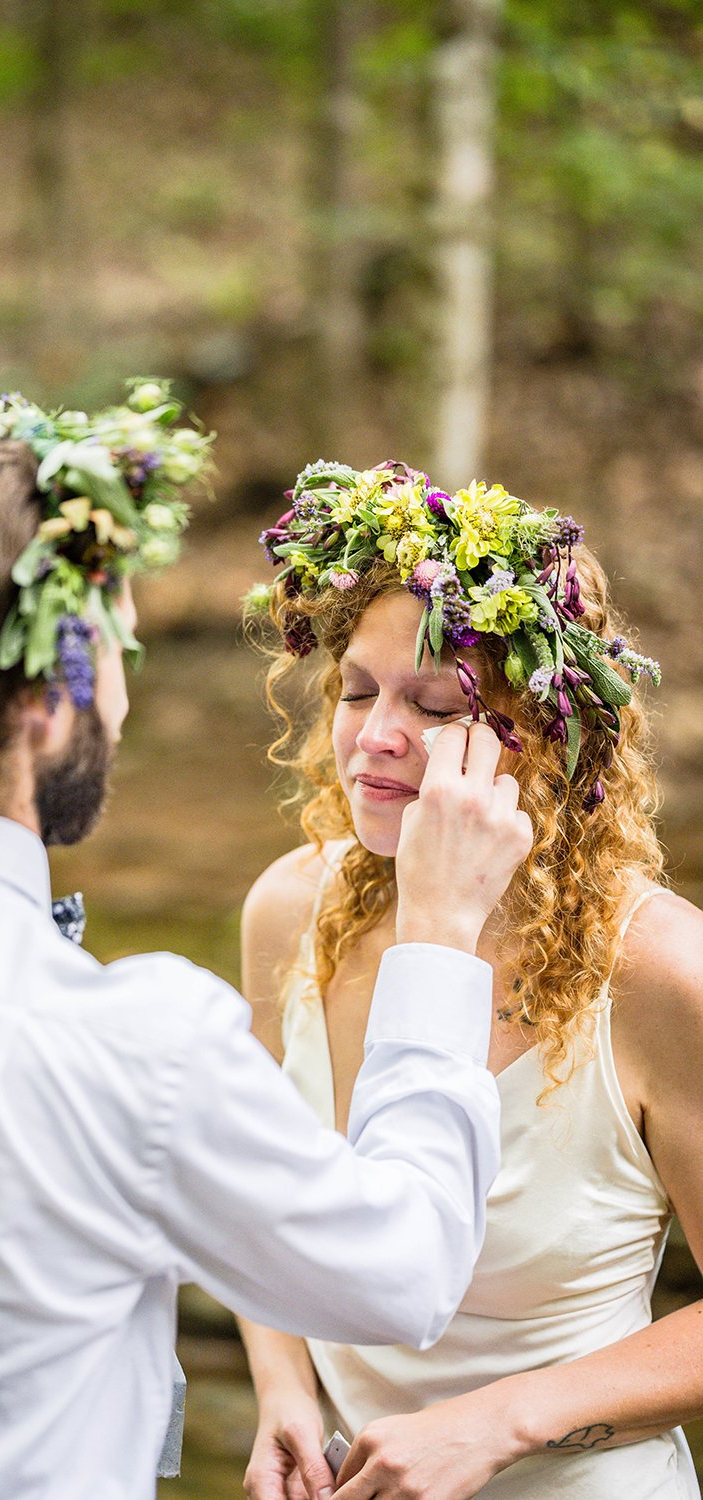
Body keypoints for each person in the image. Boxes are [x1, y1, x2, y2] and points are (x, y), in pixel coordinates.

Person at [0, 397, 531, 1500]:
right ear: (48, 705)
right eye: (118, 652)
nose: (127, 697)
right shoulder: (139, 1045)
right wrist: (435, 938)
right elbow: (406, 1272)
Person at [240, 457, 703, 1500]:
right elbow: (261, 1196)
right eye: (357, 692)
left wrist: (499, 1422)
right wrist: (284, 1391)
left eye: (437, 704)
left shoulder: (658, 971)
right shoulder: (288, 909)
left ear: (554, 736)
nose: (377, 737)